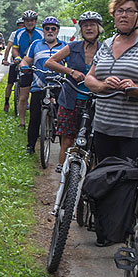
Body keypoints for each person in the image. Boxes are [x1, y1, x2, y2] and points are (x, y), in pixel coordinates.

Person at [84, 0, 138, 160]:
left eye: (130, 11)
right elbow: (89, 78)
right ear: (114, 15)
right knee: (104, 178)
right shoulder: (107, 44)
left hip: (134, 130)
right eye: (119, 11)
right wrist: (102, 85)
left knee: (129, 181)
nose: (124, 15)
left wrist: (135, 87)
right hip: (103, 126)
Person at [45, 11, 103, 172]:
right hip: (70, 98)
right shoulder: (73, 47)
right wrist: (70, 72)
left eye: (92, 25)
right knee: (67, 139)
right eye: (85, 25)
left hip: (94, 101)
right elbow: (50, 63)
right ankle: (63, 173)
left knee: (91, 142)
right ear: (81, 29)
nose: (89, 28)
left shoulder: (106, 49)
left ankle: (88, 177)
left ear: (99, 28)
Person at [19, 17, 65, 154]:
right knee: (34, 117)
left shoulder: (64, 46)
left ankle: (63, 148)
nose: (50, 31)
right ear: (43, 30)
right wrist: (24, 66)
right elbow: (26, 60)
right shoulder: (35, 44)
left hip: (57, 85)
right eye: (47, 28)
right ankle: (31, 146)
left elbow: (71, 63)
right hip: (39, 85)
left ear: (57, 31)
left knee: (62, 117)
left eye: (53, 29)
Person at [12, 10, 43, 126]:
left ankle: (41, 118)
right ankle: (22, 121)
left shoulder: (41, 33)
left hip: (38, 67)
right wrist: (18, 57)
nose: (30, 23)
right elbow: (15, 48)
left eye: (32, 21)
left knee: (40, 95)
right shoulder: (19, 33)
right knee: (24, 96)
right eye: (27, 21)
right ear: (24, 22)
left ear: (35, 21)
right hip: (25, 67)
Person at [2, 17, 24, 112]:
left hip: (26, 62)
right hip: (15, 61)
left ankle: (25, 100)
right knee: (10, 83)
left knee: (25, 84)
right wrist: (5, 59)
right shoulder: (14, 34)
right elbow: (8, 48)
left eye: (22, 26)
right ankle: (6, 102)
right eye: (19, 26)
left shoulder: (28, 34)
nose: (21, 27)